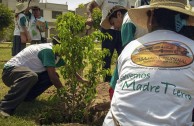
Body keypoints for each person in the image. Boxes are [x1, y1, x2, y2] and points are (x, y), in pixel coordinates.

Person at [103, 0, 194, 125]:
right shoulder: (191, 49)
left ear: (150, 18)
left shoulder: (129, 49)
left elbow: (114, 88)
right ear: (184, 21)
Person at [0, 36, 87, 117]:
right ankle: (5, 107)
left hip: (23, 75)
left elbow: (68, 69)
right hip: (10, 73)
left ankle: (26, 97)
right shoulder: (48, 51)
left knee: (44, 77)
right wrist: (64, 94)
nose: (68, 51)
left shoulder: (56, 53)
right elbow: (53, 77)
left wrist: (81, 79)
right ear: (59, 46)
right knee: (33, 76)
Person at [101, 5, 148, 100]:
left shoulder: (127, 21)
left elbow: (128, 53)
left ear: (119, 15)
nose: (114, 27)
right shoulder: (135, 17)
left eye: (112, 23)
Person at [86, 0, 131, 82]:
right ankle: (106, 81)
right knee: (106, 58)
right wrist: (89, 16)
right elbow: (90, 5)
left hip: (121, 29)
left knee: (123, 56)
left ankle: (122, 79)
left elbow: (129, 13)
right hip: (107, 29)